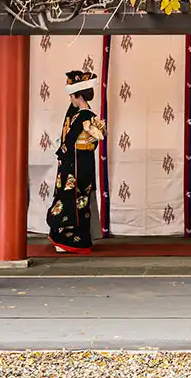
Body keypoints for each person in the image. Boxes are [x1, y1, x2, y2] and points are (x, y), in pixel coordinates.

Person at [47, 70, 108, 254]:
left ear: (78, 95)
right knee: (77, 200)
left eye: (72, 96)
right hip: (81, 162)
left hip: (78, 164)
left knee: (73, 199)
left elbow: (77, 141)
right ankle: (73, 239)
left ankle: (72, 240)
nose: (70, 100)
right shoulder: (82, 115)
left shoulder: (85, 116)